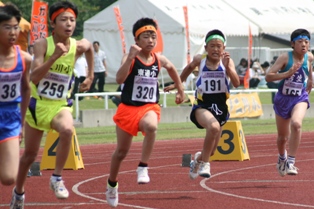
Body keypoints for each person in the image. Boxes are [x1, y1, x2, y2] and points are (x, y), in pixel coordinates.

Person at [10, 1, 94, 208]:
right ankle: (18, 193)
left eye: (72, 20)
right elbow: (35, 77)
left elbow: (89, 46)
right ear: (53, 23)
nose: (69, 24)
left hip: (60, 105)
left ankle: (56, 178)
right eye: (63, 20)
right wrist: (54, 56)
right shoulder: (42, 45)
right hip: (37, 106)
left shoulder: (77, 46)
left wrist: (91, 75)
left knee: (67, 130)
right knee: (29, 156)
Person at [105, 17, 185, 207]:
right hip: (128, 109)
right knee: (121, 153)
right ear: (137, 39)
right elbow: (118, 79)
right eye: (146, 37)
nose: (151, 40)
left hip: (149, 107)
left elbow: (172, 68)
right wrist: (131, 57)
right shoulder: (130, 57)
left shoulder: (159, 59)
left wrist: (180, 89)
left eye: (153, 37)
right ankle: (112, 184)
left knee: (151, 126)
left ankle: (143, 167)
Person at [166, 29, 239, 180]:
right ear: (206, 48)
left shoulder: (227, 62)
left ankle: (198, 160)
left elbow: (237, 83)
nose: (216, 49)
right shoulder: (200, 59)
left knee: (211, 151)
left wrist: (229, 67)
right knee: (213, 127)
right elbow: (188, 69)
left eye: (219, 46)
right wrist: (177, 85)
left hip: (220, 107)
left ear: (223, 48)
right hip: (202, 105)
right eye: (212, 46)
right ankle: (205, 164)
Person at [265, 28, 313, 177]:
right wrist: (288, 73)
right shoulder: (285, 57)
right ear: (293, 44)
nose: (304, 45)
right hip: (283, 99)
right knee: (282, 138)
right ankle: (282, 158)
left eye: (306, 42)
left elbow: (309, 71)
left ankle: (290, 161)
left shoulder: (309, 57)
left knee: (297, 124)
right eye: (300, 42)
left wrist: (310, 80)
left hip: (300, 97)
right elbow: (268, 77)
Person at [0, 2, 32, 186]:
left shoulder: (24, 58)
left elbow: (26, 88)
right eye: (7, 28)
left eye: (15, 27)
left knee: (9, 178)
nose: (13, 32)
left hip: (11, 117)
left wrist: (22, 122)